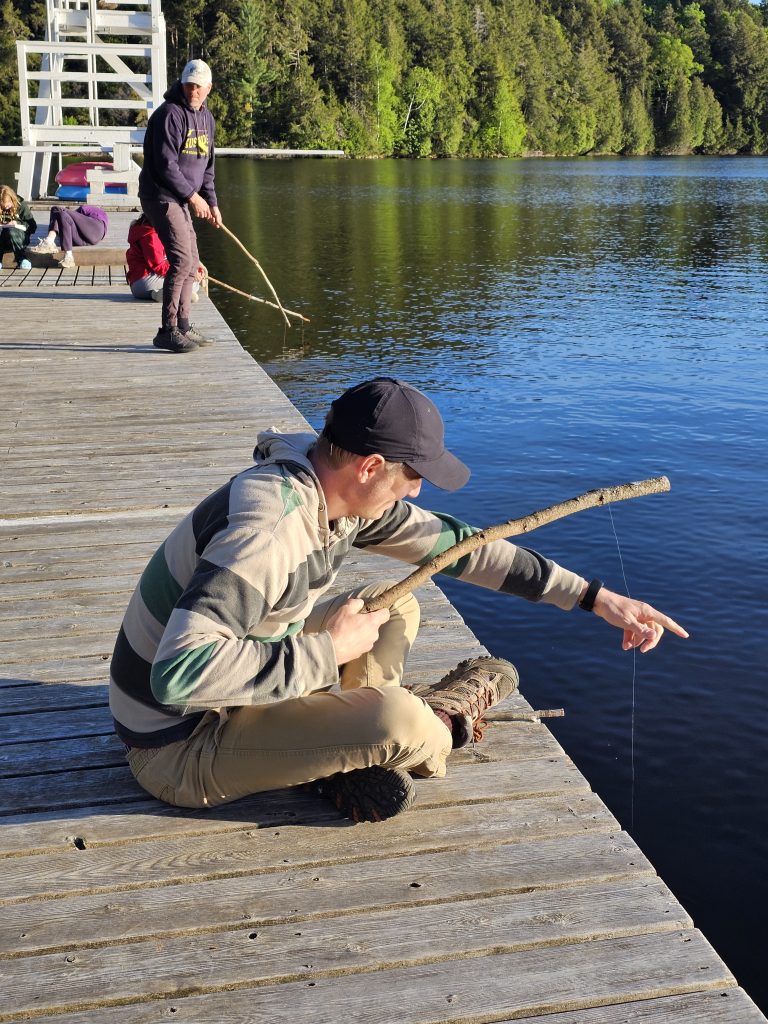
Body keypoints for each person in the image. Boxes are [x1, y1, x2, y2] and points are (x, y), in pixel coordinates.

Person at [109, 377, 689, 824]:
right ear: (370, 466)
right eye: (413, 476)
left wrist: (595, 598)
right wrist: (325, 650)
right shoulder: (270, 529)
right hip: (178, 746)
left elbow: (464, 550)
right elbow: (178, 677)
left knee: (390, 606)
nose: (416, 491)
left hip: (238, 678)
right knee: (401, 719)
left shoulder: (328, 490)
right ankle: (434, 725)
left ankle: (341, 746)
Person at [138, 57, 222, 354]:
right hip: (160, 196)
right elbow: (165, 165)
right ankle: (168, 330)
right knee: (181, 260)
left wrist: (211, 202)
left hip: (182, 197)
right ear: (182, 83)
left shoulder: (207, 119)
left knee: (193, 259)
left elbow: (207, 167)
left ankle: (184, 325)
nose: (193, 91)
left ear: (208, 87)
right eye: (189, 84)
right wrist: (193, 197)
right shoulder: (168, 115)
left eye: (198, 86)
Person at [125, 214, 205, 303]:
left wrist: (193, 268)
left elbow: (178, 255)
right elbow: (159, 266)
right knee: (192, 284)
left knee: (193, 283)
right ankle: (166, 294)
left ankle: (162, 294)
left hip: (143, 281)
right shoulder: (150, 235)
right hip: (144, 281)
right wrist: (188, 273)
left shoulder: (154, 230)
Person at [29, 204, 108, 269]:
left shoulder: (85, 208)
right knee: (60, 213)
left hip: (96, 227)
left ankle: (49, 241)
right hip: (87, 238)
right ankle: (68, 257)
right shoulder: (93, 214)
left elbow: (67, 216)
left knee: (56, 209)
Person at [0, 185, 36, 269]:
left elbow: (33, 226)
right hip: (3, 239)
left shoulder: (21, 205)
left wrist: (17, 223)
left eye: (8, 204)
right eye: (2, 205)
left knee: (11, 231)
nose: (6, 207)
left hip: (19, 238)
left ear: (12, 199)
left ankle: (21, 259)